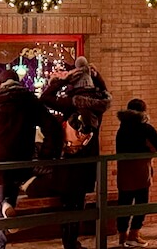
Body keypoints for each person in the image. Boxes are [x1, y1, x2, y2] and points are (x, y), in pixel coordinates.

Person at [0, 68, 64, 249]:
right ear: (18, 83)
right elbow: (53, 128)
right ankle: (8, 203)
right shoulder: (30, 102)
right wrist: (45, 154)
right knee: (11, 187)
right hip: (20, 162)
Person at [40, 58, 111, 249]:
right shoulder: (99, 105)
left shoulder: (69, 103)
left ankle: (68, 242)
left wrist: (63, 80)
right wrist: (98, 77)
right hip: (87, 162)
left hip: (68, 161)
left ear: (74, 83)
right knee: (78, 203)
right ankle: (73, 242)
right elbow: (106, 94)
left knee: (67, 204)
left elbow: (44, 98)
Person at [116, 99, 157, 248]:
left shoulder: (121, 129)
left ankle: (122, 235)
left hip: (124, 171)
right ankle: (134, 234)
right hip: (141, 171)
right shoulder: (145, 128)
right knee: (141, 203)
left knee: (124, 203)